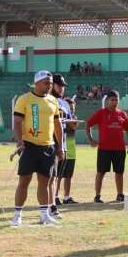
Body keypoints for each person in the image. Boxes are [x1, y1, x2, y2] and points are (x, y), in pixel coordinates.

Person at [10, 70, 64, 226]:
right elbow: (17, 122)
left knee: (45, 182)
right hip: (29, 145)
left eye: (51, 83)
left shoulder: (53, 101)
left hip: (48, 146)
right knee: (24, 181)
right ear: (38, 83)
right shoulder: (24, 99)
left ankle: (44, 215)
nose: (49, 86)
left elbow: (57, 124)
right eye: (47, 83)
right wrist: (20, 141)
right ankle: (18, 215)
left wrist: (60, 146)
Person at [86, 90, 128, 203]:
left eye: (116, 100)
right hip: (104, 148)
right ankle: (97, 196)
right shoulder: (101, 113)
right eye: (112, 100)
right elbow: (88, 123)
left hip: (119, 148)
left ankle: (120, 195)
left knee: (119, 172)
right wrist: (91, 139)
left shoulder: (122, 114)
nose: (114, 102)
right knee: (101, 172)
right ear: (108, 101)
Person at [48, 74, 72, 219]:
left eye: (63, 86)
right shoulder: (47, 101)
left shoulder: (65, 104)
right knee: (49, 177)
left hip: (61, 144)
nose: (61, 88)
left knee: (57, 176)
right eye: (59, 85)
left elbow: (67, 122)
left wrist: (72, 124)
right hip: (48, 143)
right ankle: (49, 206)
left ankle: (53, 201)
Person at [56, 99, 79, 204]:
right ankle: (55, 196)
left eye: (72, 108)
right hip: (62, 149)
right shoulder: (60, 118)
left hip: (71, 151)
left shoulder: (73, 119)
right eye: (69, 108)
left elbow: (73, 125)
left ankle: (67, 197)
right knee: (58, 176)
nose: (71, 110)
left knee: (68, 176)